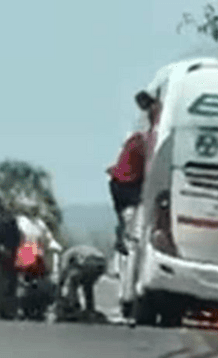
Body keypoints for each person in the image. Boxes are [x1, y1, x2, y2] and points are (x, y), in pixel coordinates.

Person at [107, 91, 160, 254]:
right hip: (126, 183)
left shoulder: (138, 134)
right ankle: (126, 237)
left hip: (119, 181)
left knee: (127, 216)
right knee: (133, 212)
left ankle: (124, 236)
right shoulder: (143, 138)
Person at [55, 244, 108, 323]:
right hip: (103, 262)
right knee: (87, 284)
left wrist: (58, 294)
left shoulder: (66, 254)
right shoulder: (79, 249)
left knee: (73, 280)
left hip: (91, 260)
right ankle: (90, 309)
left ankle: (73, 306)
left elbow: (63, 275)